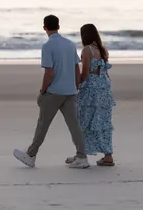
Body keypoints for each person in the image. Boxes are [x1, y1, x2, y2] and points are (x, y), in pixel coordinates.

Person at [13, 15, 90, 169]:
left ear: (44, 28)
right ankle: (82, 156)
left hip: (54, 92)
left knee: (43, 124)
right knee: (75, 126)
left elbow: (49, 72)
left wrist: (43, 90)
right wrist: (75, 86)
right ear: (59, 26)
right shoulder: (69, 44)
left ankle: (31, 155)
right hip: (70, 91)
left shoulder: (48, 46)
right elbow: (76, 68)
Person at [66, 23, 116, 167]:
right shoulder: (102, 49)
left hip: (91, 90)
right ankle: (108, 156)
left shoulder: (87, 50)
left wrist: (76, 84)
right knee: (103, 122)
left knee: (83, 121)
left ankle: (80, 155)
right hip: (104, 89)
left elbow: (86, 73)